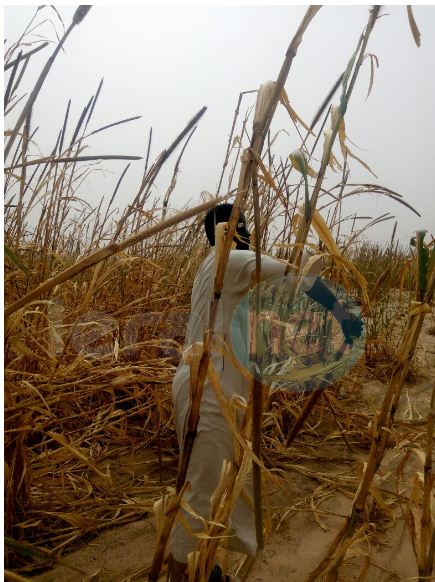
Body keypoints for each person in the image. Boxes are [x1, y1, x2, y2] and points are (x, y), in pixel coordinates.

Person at [167, 203, 362, 581]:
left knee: (208, 483)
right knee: (202, 489)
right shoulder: (234, 261)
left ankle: (208, 568)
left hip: (202, 385)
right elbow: (296, 276)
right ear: (233, 232)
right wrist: (314, 256)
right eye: (244, 228)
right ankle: (182, 572)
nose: (249, 234)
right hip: (210, 390)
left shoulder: (216, 266)